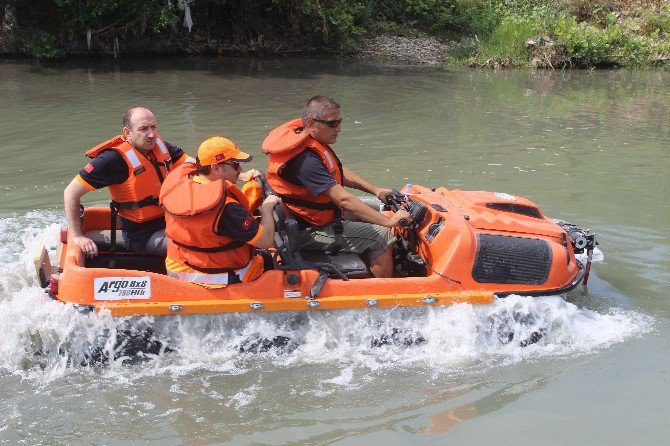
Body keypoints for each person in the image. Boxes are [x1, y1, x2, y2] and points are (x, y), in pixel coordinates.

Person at [262, 95, 410, 278]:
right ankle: (385, 296)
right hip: (308, 231)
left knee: (374, 221)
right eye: (332, 124)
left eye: (339, 122)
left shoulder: (308, 142)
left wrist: (375, 190)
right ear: (311, 123)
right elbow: (343, 199)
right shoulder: (305, 161)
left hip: (310, 220)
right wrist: (389, 221)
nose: (339, 129)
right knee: (382, 237)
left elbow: (335, 171)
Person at [63, 107, 190, 258]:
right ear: (128, 133)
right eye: (143, 129)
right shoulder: (112, 160)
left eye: (153, 127)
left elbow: (196, 167)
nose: (151, 134)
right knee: (195, 245)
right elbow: (70, 192)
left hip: (170, 221)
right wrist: (78, 236)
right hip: (143, 236)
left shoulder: (160, 147)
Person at [160, 136, 281, 288]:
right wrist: (267, 208)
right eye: (236, 165)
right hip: (217, 276)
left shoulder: (181, 189)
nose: (241, 170)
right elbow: (266, 240)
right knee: (273, 261)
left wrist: (237, 177)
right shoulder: (226, 208)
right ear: (216, 168)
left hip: (180, 267)